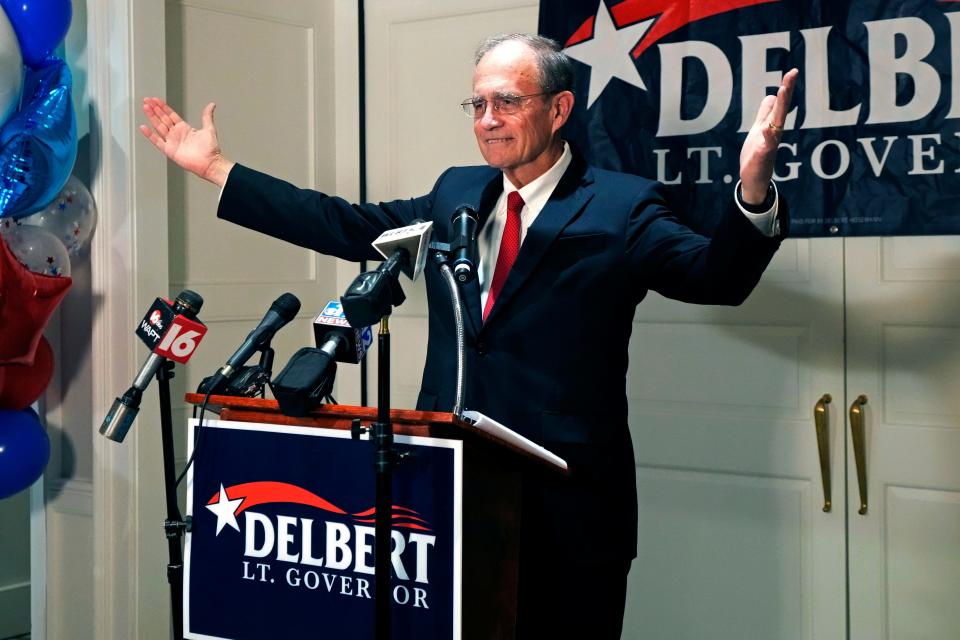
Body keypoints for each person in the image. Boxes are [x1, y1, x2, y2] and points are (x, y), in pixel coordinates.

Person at [142, 33, 797, 639]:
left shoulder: (622, 204)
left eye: (507, 101)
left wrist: (753, 185)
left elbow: (718, 277)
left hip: (566, 512)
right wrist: (218, 169)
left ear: (560, 107)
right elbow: (345, 225)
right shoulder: (458, 193)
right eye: (478, 103)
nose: (488, 118)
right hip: (450, 500)